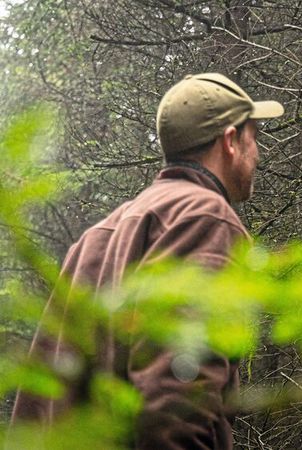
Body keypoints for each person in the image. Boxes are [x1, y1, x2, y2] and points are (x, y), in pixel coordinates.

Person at [10, 73, 283, 449]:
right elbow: (178, 397)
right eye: (254, 138)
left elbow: (40, 398)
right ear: (230, 142)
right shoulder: (204, 217)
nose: (259, 153)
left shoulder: (99, 234)